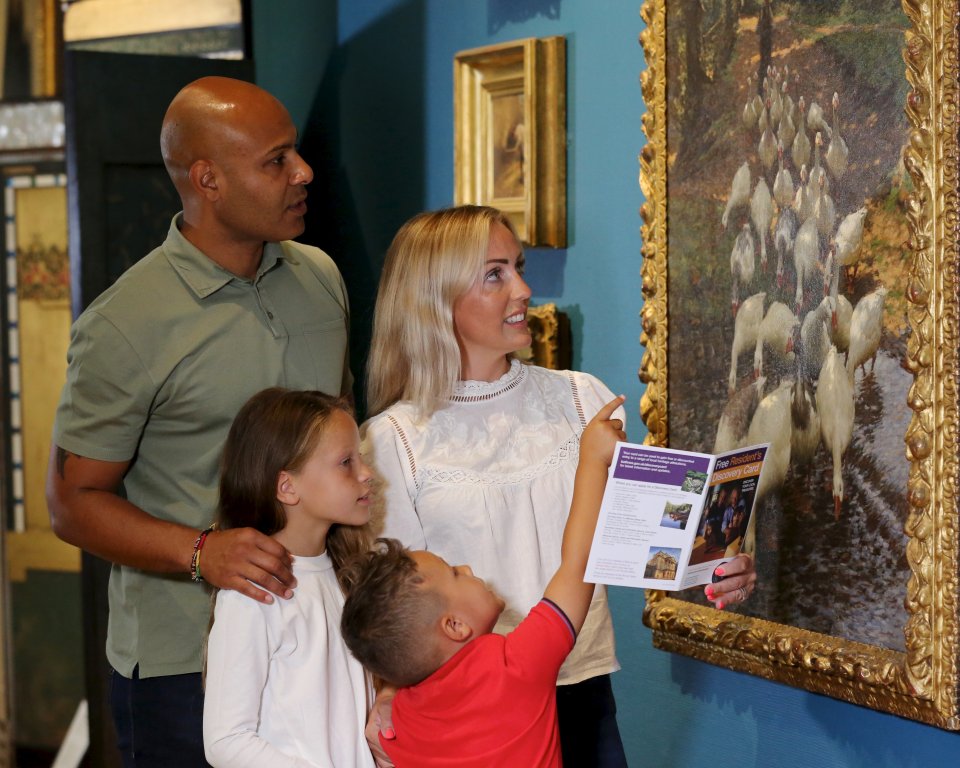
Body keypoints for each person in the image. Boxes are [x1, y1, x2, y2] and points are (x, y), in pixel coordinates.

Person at [360, 205, 757, 767]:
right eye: (494, 274)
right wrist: (384, 695)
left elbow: (654, 545)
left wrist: (716, 567)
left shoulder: (580, 398)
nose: (524, 288)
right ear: (435, 299)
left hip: (585, 696)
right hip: (469, 720)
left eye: (518, 266)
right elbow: (382, 607)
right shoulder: (390, 441)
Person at [45, 76, 353, 766]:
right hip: (184, 663)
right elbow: (70, 503)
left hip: (321, 635)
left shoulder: (322, 279)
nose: (303, 173)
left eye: (294, 153)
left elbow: (344, 445)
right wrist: (199, 552)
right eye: (276, 160)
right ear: (208, 179)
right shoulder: (124, 324)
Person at [342, 396, 627, 767]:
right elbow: (578, 564)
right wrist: (591, 459)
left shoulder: (401, 724)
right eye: (455, 573)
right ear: (456, 626)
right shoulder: (514, 667)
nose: (467, 567)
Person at [204, 388, 375, 767]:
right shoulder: (253, 592)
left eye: (360, 458)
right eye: (346, 462)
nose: (366, 474)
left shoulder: (346, 576)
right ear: (287, 486)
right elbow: (226, 740)